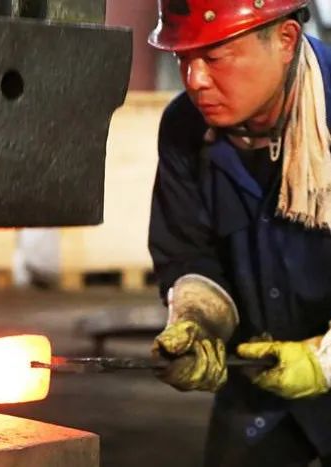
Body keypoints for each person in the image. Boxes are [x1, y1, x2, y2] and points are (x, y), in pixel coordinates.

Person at [147, 1, 331, 465]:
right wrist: (197, 318)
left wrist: (325, 361)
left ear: (285, 41)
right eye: (183, 58)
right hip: (258, 380)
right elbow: (187, 252)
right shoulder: (185, 129)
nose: (194, 80)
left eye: (214, 57)